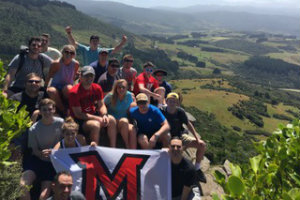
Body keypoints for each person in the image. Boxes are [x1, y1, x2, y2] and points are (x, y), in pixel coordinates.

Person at [20, 98, 64, 200]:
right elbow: (34, 150)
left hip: (53, 163)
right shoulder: (34, 129)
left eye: (49, 109)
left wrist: (54, 151)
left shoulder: (61, 123)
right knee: (22, 186)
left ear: (54, 110)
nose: (47, 112)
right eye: (44, 110)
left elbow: (64, 141)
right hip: (37, 161)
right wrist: (41, 153)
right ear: (40, 111)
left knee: (44, 195)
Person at [161, 92, 206, 183]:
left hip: (180, 136)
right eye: (170, 101)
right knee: (168, 139)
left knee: (202, 145)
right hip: (168, 138)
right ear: (166, 101)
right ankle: (169, 165)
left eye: (174, 101)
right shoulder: (162, 111)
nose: (172, 103)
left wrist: (196, 138)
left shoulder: (180, 112)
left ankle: (197, 169)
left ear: (177, 103)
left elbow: (188, 124)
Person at [68, 66, 117, 146]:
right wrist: (98, 118)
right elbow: (78, 114)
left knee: (111, 120)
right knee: (95, 125)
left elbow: (101, 105)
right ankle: (95, 149)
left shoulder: (97, 88)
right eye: (86, 76)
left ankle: (113, 148)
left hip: (93, 114)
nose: (89, 78)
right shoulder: (74, 92)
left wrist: (104, 115)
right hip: (79, 120)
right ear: (81, 77)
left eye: (91, 76)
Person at [45, 45, 79, 114]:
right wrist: (44, 87)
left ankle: (70, 108)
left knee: (69, 89)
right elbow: (49, 76)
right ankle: (63, 110)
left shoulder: (75, 64)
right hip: (55, 86)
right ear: (62, 53)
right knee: (51, 91)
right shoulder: (56, 63)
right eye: (67, 52)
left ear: (74, 55)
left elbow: (73, 76)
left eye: (71, 53)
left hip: (67, 86)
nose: (69, 54)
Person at [104, 79, 137, 149]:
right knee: (112, 120)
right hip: (112, 121)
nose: (121, 89)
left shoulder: (129, 96)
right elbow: (102, 105)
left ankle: (128, 146)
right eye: (119, 87)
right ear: (116, 88)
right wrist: (104, 115)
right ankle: (113, 147)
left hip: (123, 121)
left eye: (123, 87)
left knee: (125, 122)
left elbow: (131, 108)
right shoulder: (110, 96)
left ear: (126, 88)